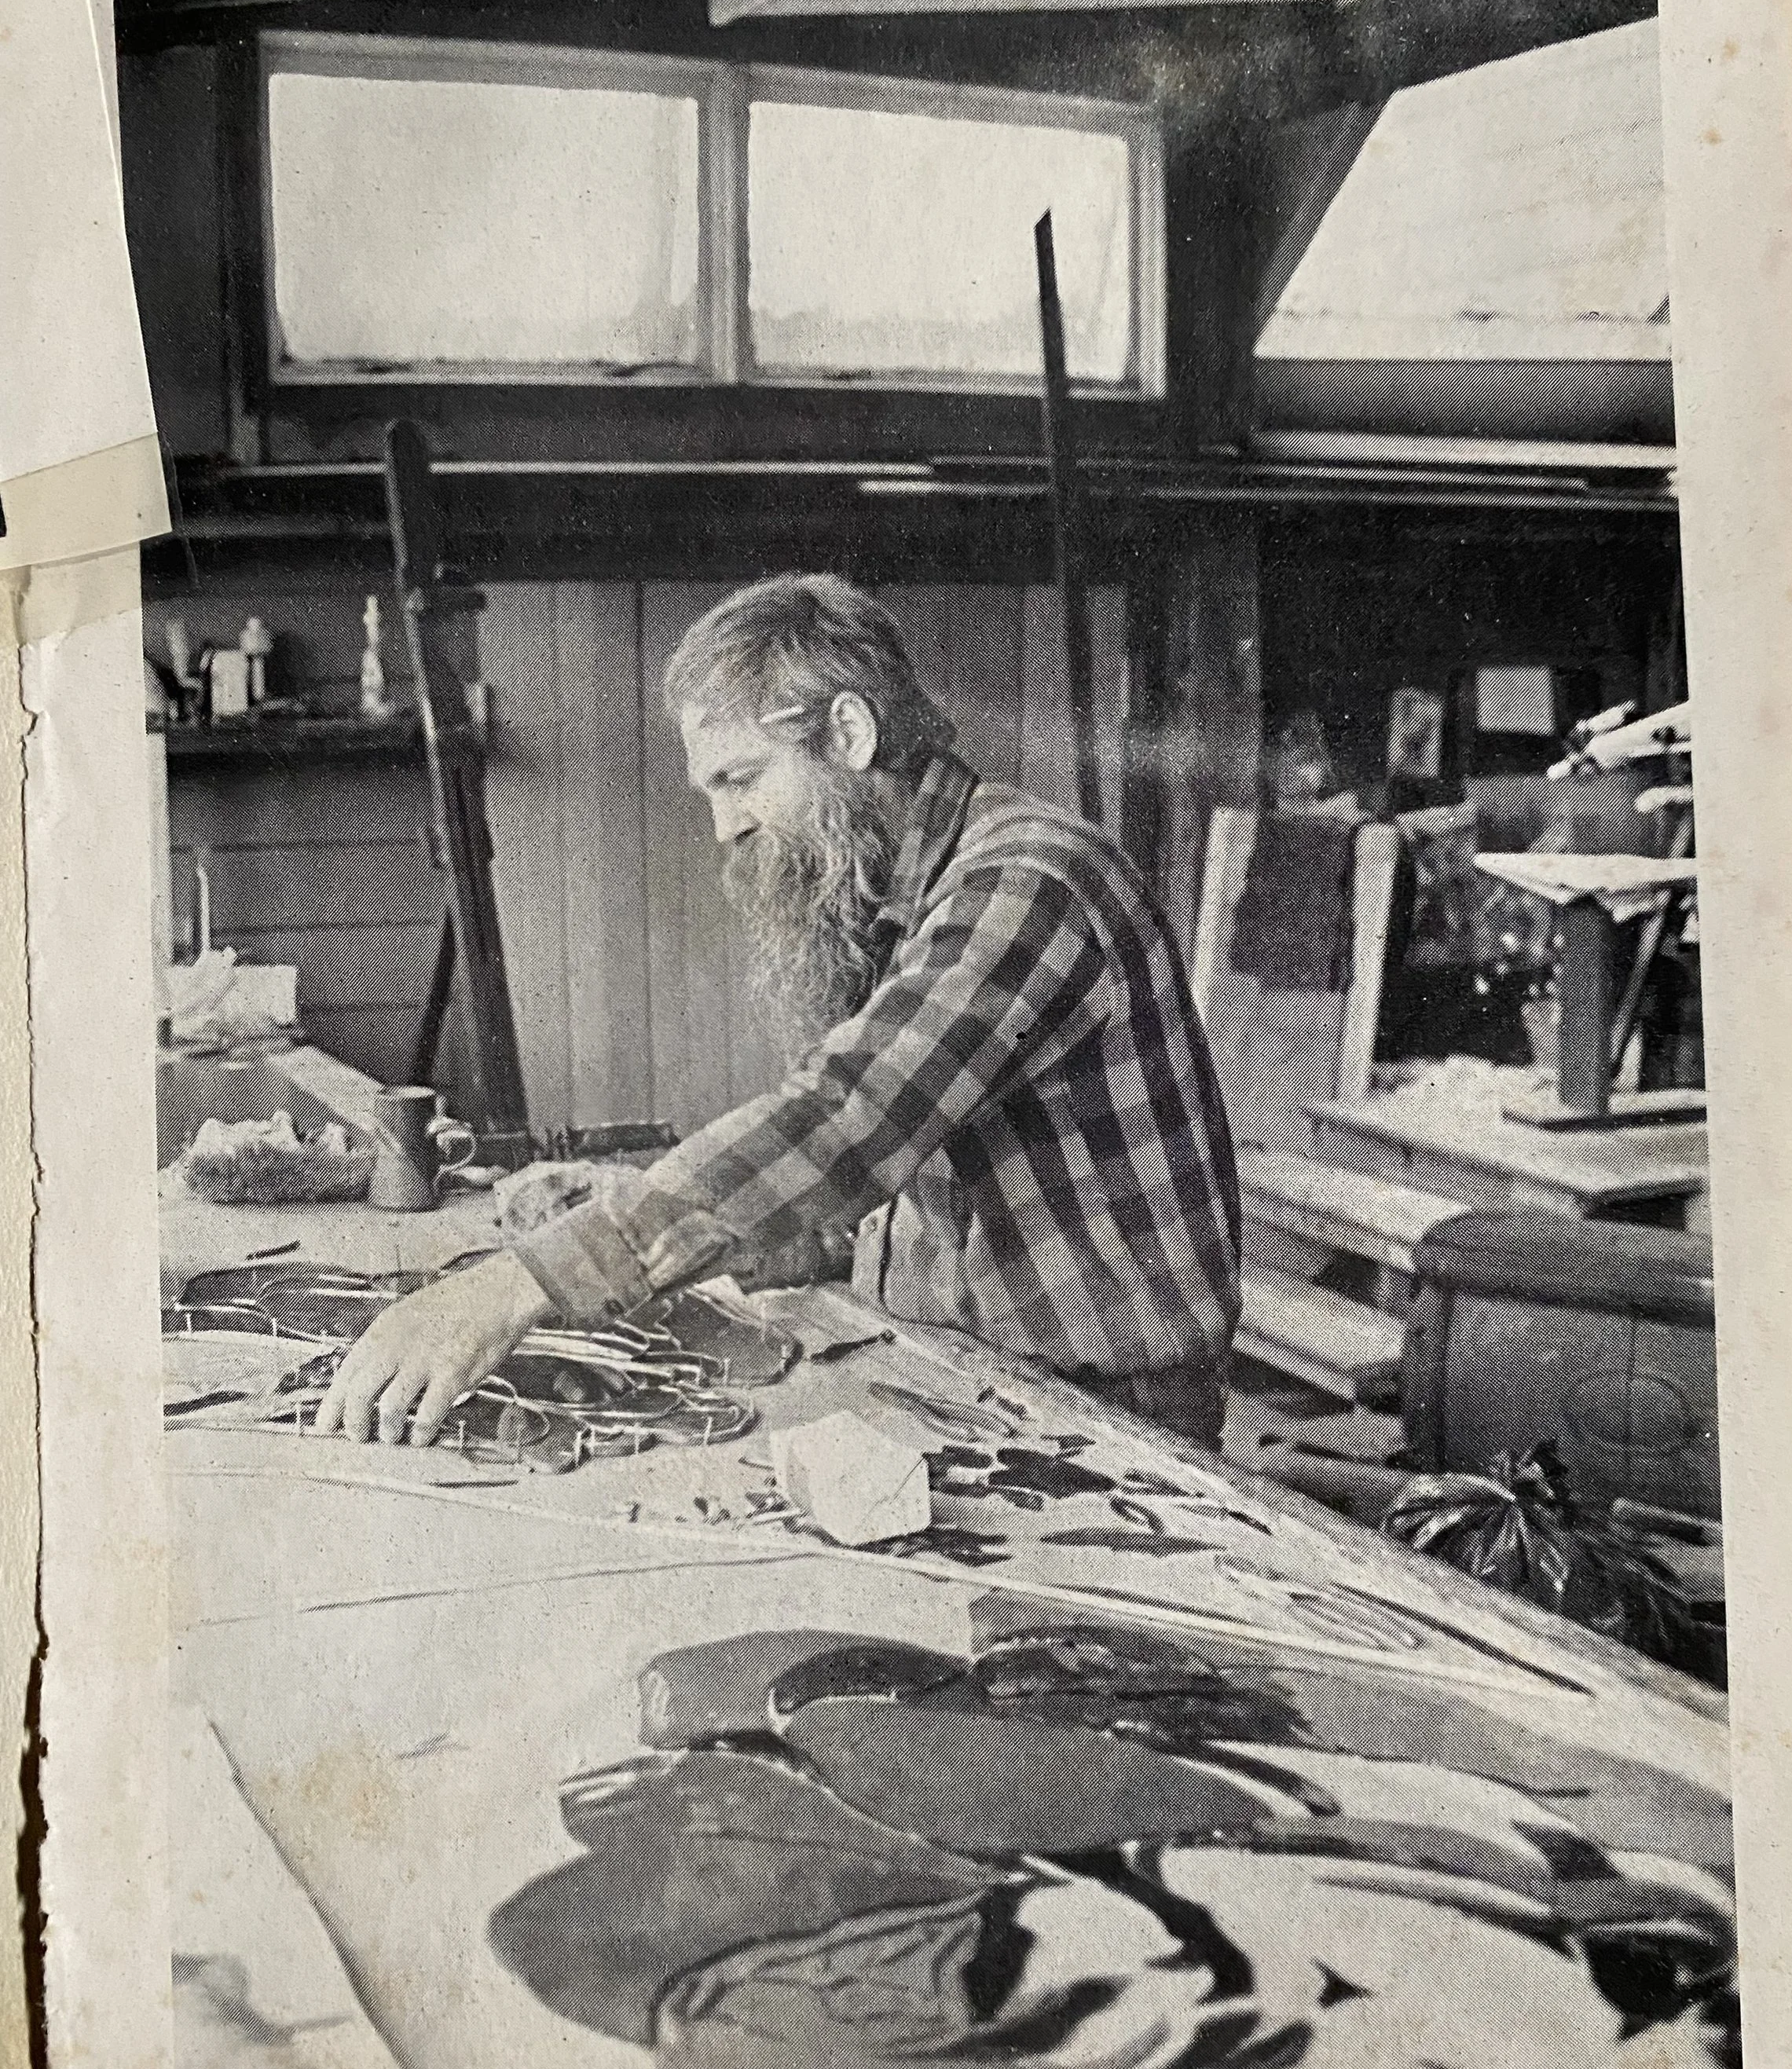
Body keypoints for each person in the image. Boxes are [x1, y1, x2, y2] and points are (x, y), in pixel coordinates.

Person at [316, 574, 1241, 1453]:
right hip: (967, 1367)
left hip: (1111, 1405)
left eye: (743, 778)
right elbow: (876, 1195)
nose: (725, 827)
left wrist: (522, 1285)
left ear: (847, 732)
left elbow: (847, 1119)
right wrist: (628, 1211)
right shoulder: (898, 892)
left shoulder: (1027, 882)